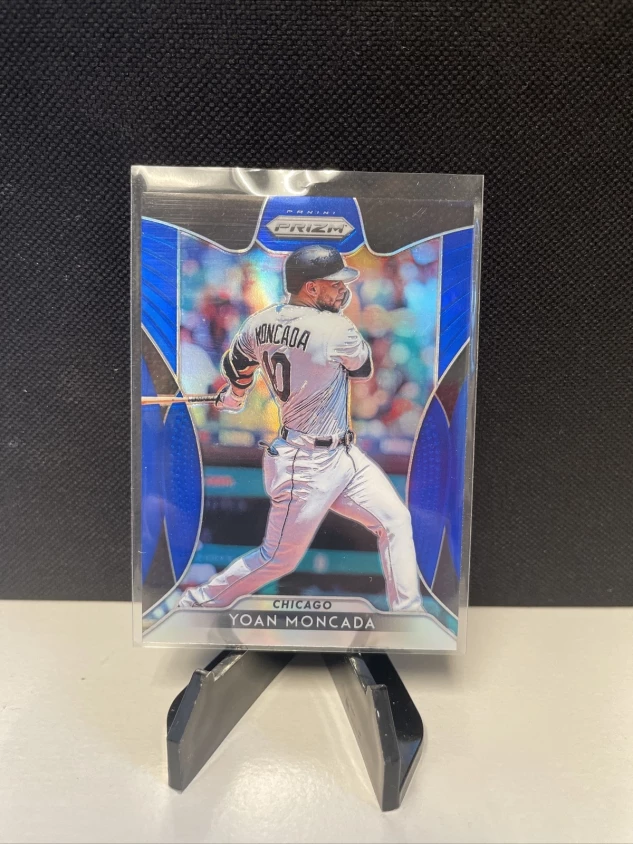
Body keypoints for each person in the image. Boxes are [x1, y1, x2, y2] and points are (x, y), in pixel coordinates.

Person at [178, 245, 423, 612]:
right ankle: (199, 602)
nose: (343, 290)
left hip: (341, 455)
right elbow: (362, 369)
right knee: (278, 558)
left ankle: (409, 614)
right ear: (311, 287)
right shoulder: (338, 328)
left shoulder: (259, 321)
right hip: (304, 462)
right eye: (334, 284)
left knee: (395, 521)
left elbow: (238, 364)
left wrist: (235, 395)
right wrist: (333, 322)